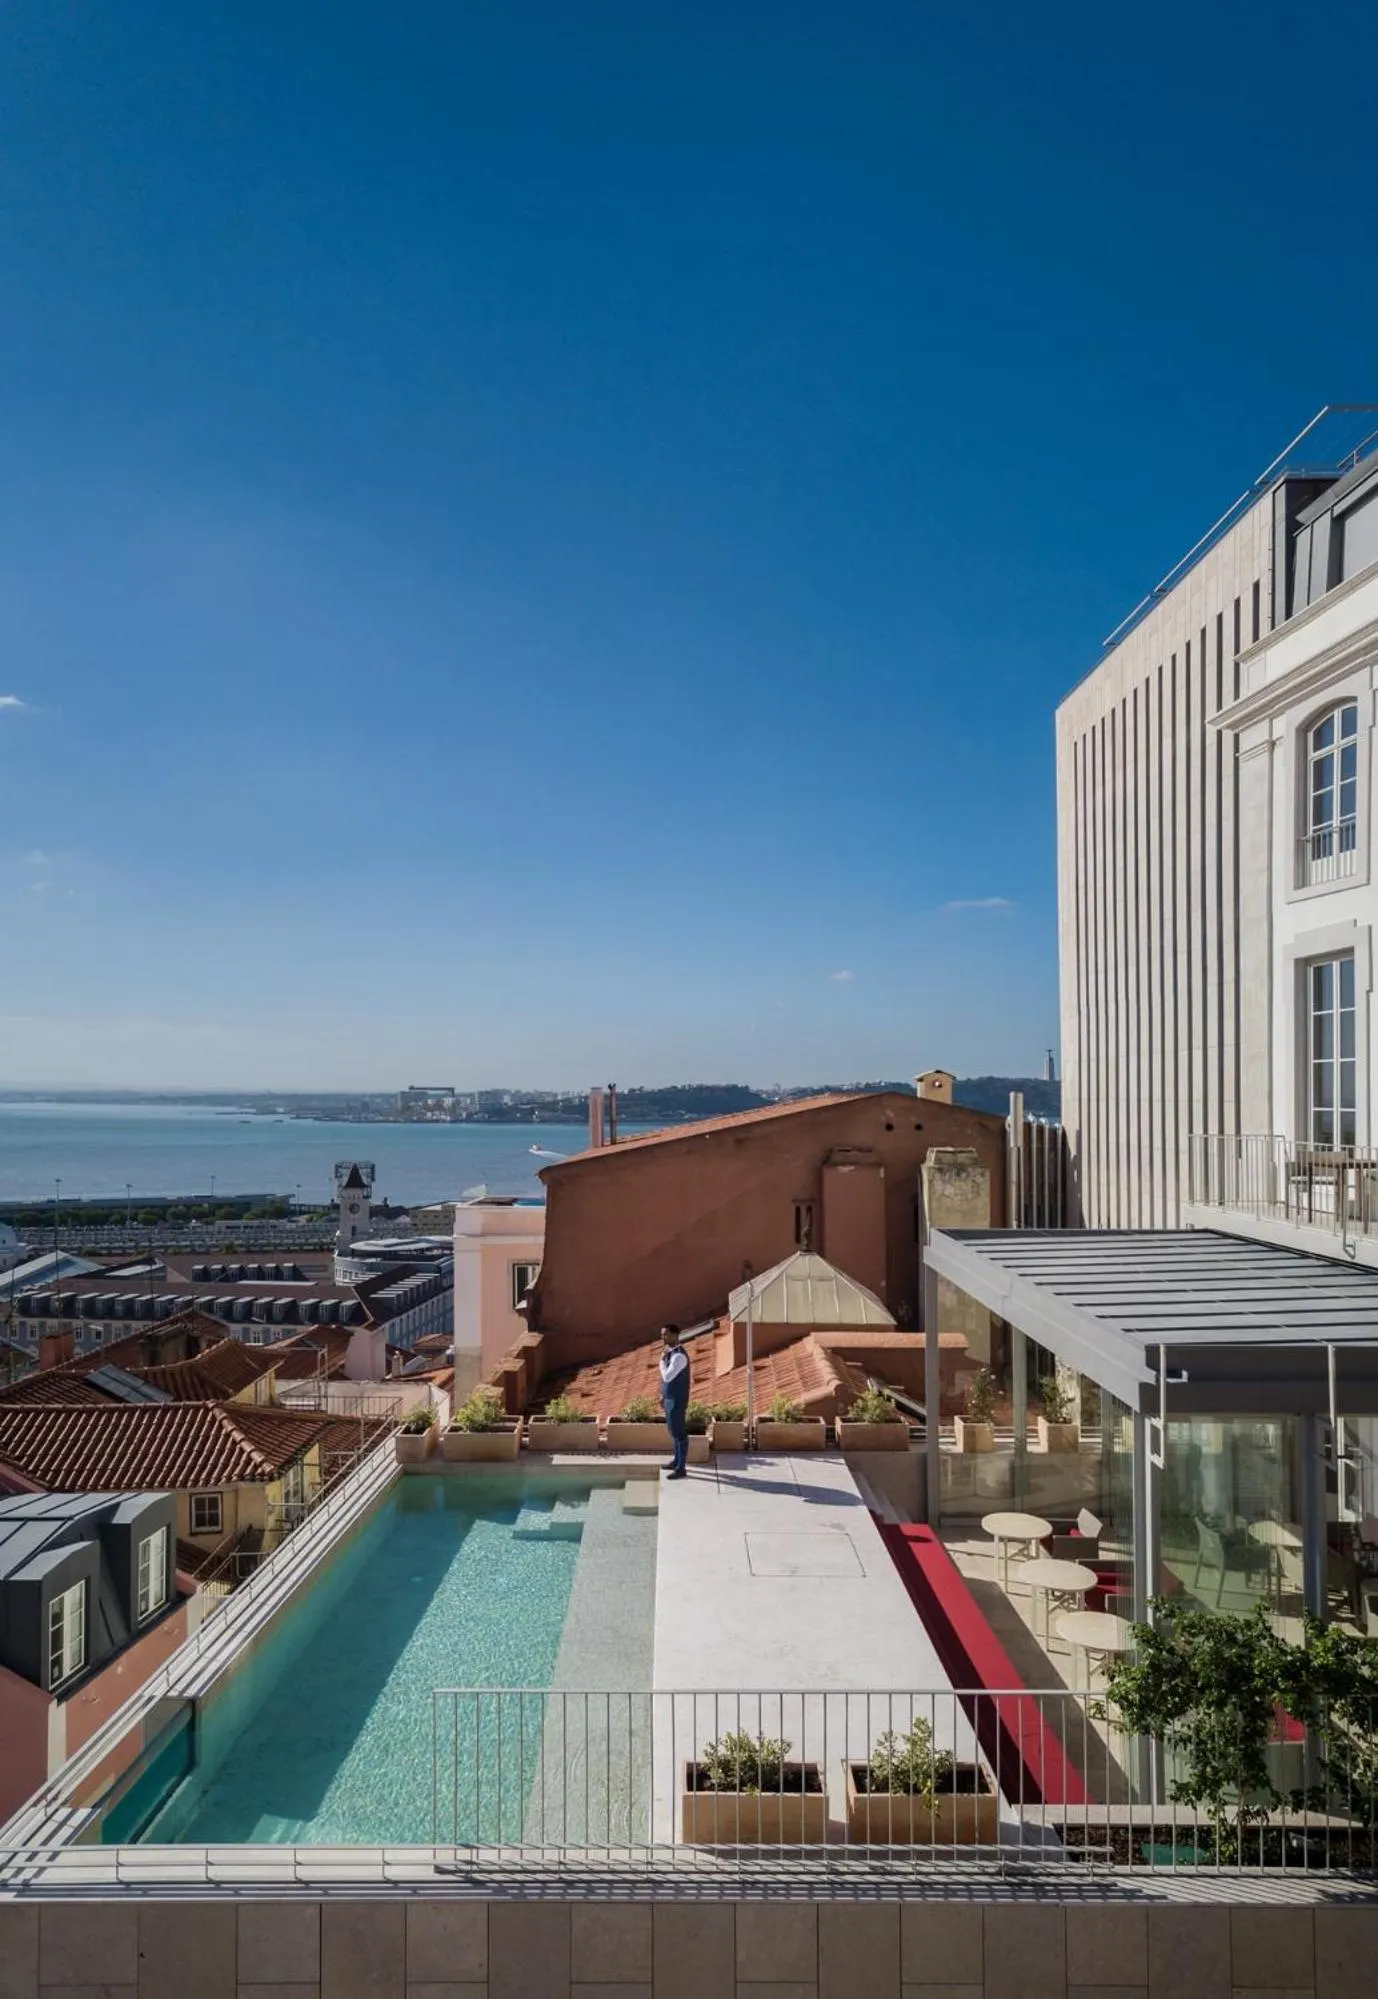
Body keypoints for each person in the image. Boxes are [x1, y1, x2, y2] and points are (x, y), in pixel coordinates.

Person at [659, 1322, 691, 1478]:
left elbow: (667, 1376)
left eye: (666, 1334)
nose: (663, 1337)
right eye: (662, 1334)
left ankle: (681, 1468)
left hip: (677, 1400)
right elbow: (667, 1382)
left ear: (675, 1335)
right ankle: (676, 1461)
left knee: (679, 1434)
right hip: (669, 1399)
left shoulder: (678, 1356)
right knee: (673, 1431)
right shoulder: (671, 1354)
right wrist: (663, 1396)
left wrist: (661, 1361)